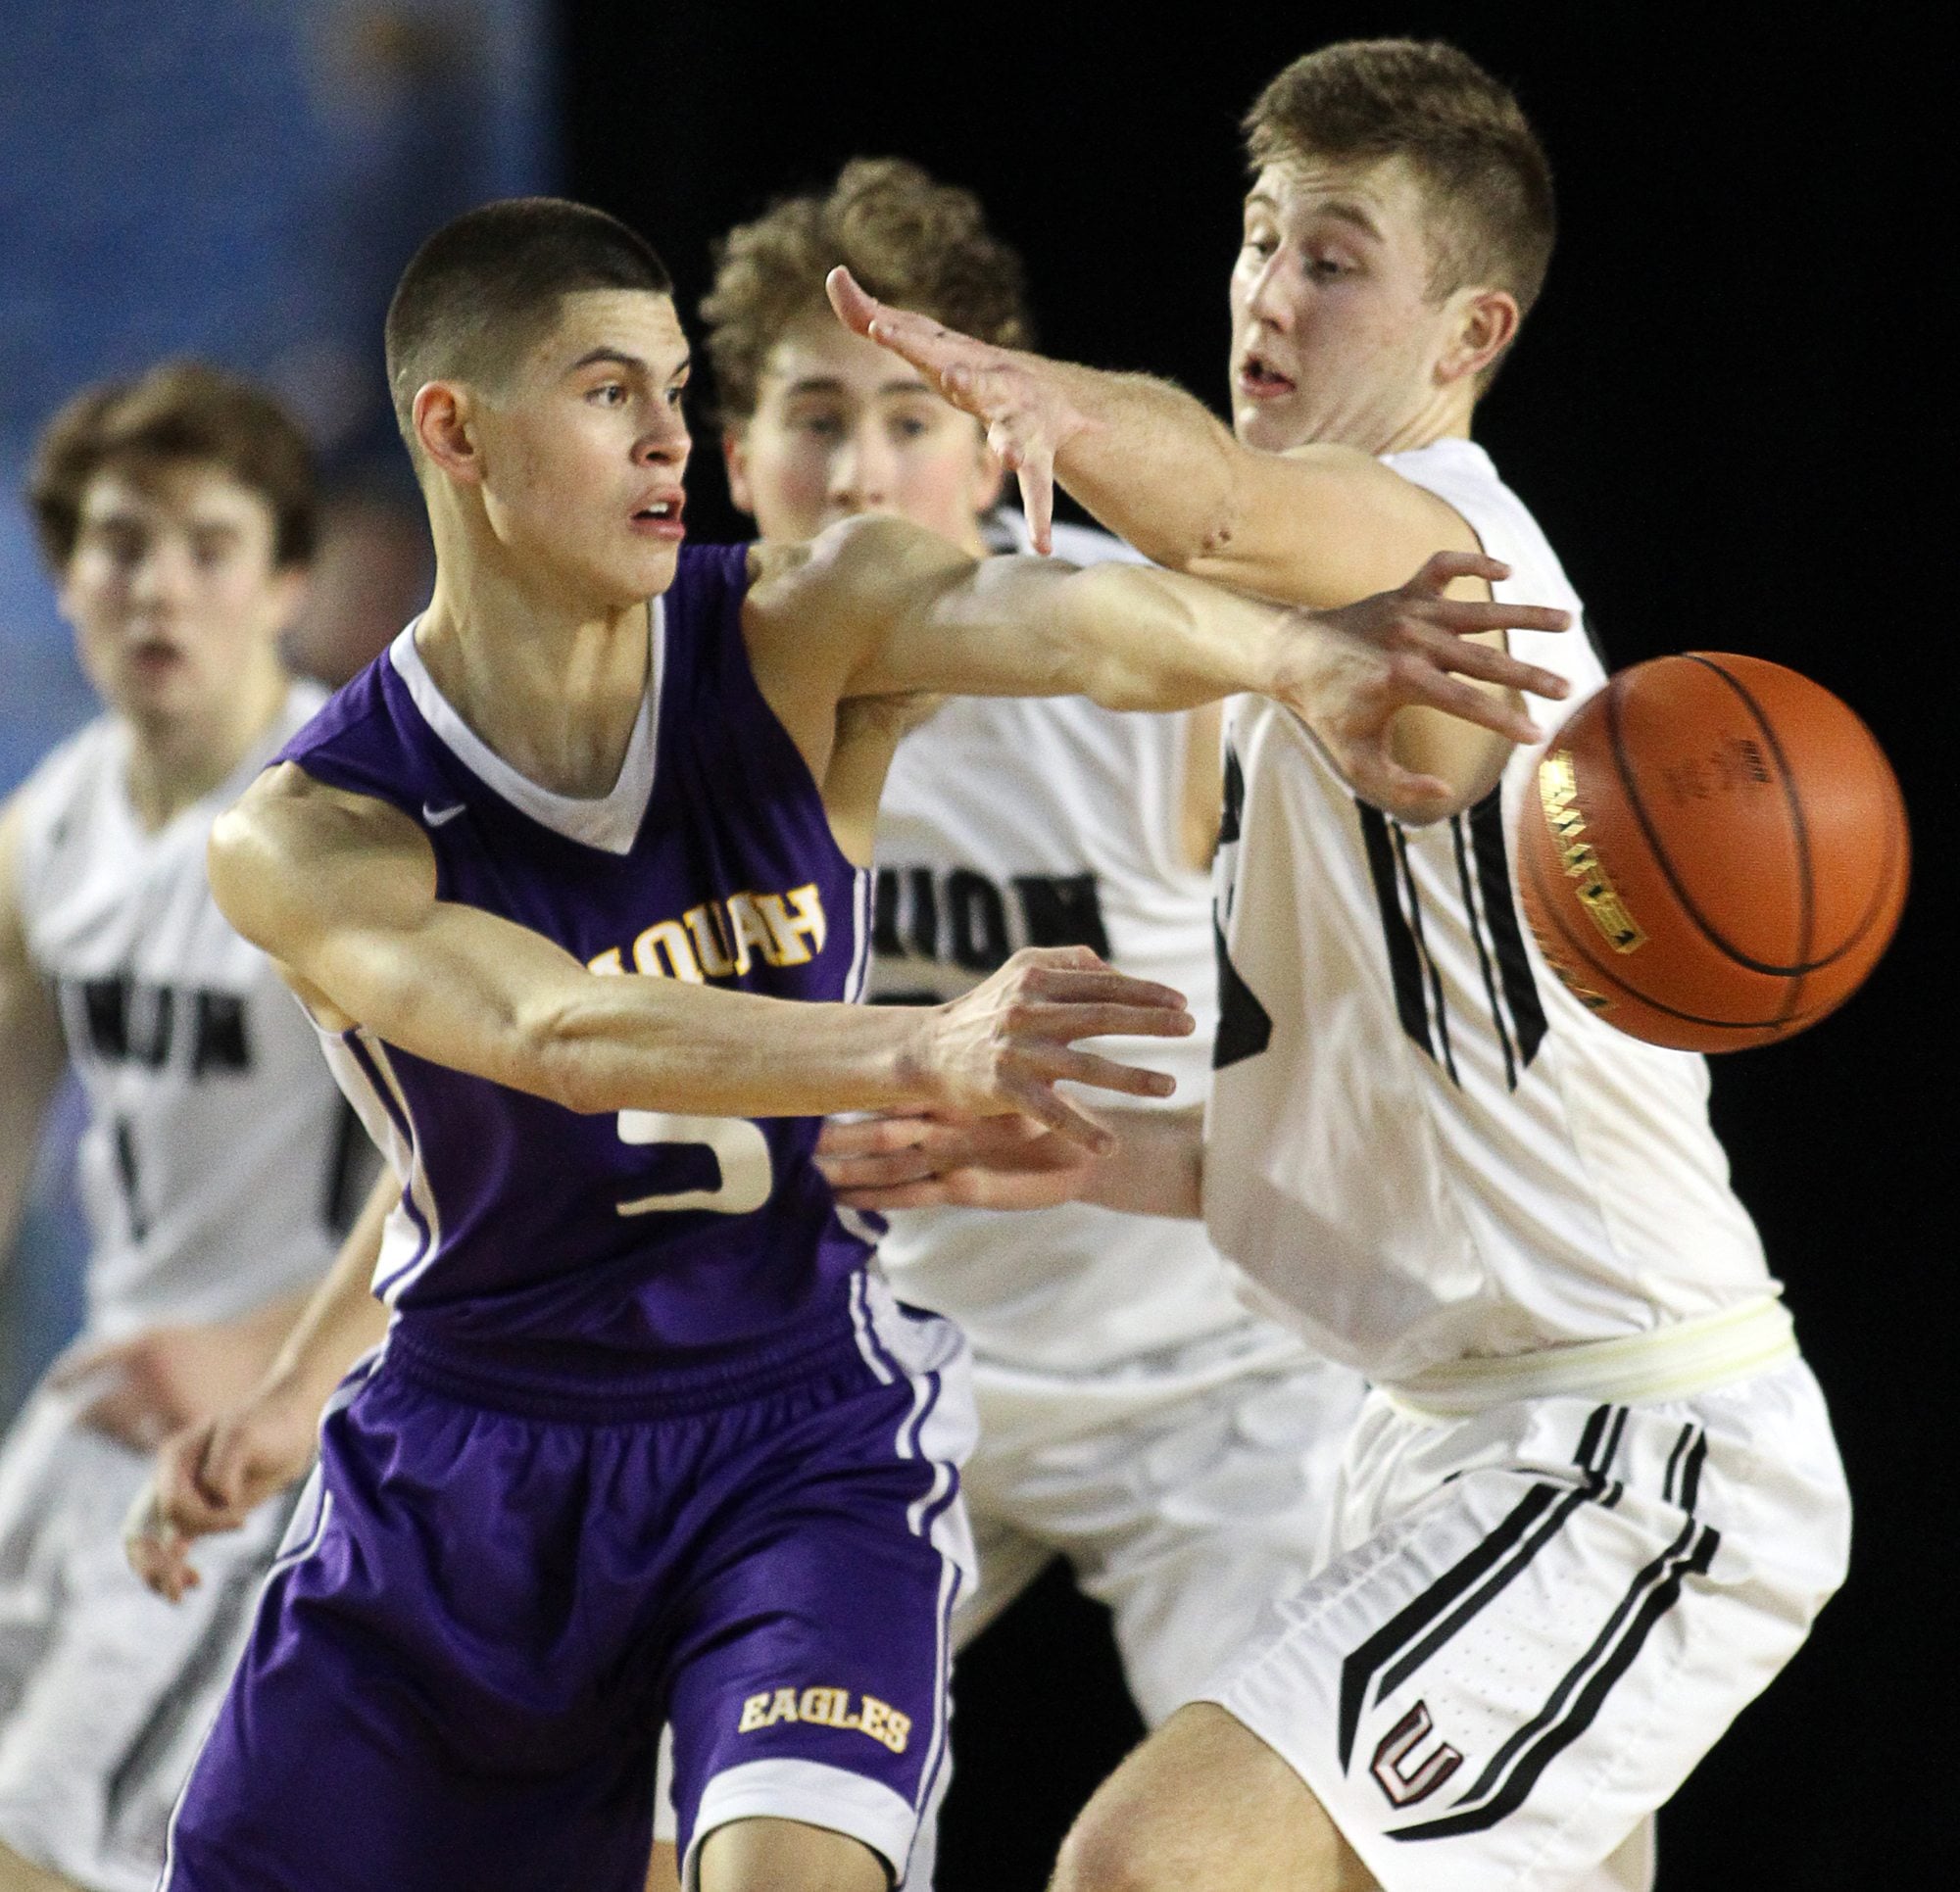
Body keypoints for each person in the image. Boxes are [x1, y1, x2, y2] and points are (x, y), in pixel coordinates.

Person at [119, 195, 1568, 1892]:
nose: (666, 438)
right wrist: (920, 1048)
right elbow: (546, 1043)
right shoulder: (304, 833)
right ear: (456, 432)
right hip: (470, 1460)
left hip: (807, 1419)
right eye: (609, 395)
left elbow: (1078, 625)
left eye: (672, 392)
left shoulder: (799, 628)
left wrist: (1292, 653)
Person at [820, 37, 1850, 1892]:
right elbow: (1401, 1119)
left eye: (1335, 257)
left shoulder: (1450, 555)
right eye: (1257, 237)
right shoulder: (1317, 645)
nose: (1268, 293)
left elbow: (1208, 503)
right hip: (1454, 1427)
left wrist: (1024, 400)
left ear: (1470, 331)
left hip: (1628, 1439)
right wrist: (1119, 1158)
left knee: (1149, 1865)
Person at [0, 364, 377, 1892]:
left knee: (49, 1844)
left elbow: (486, 1165)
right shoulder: (47, 827)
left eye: (207, 547)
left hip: (294, 1428)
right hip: (111, 1392)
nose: (157, 589)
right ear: (63, 573)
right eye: (118, 544)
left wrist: (263, 1360)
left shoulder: (348, 822)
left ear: (285, 581)